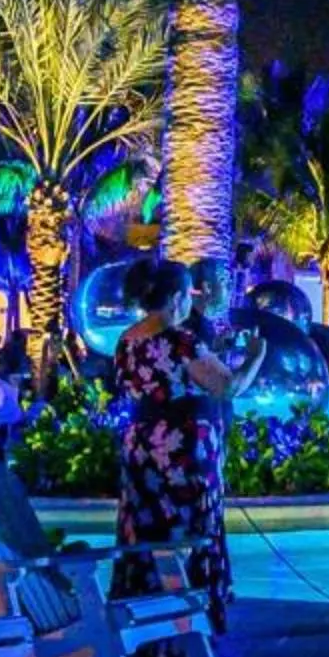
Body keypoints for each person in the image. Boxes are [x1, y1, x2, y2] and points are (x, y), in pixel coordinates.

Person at [110, 257, 250, 635]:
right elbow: (227, 386)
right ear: (175, 299)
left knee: (146, 529)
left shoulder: (126, 340)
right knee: (190, 530)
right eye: (187, 294)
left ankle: (142, 626)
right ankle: (188, 628)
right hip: (183, 451)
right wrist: (256, 357)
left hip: (142, 444)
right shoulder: (180, 340)